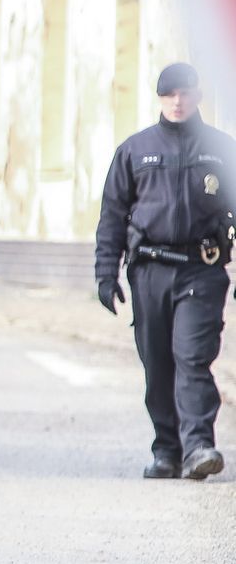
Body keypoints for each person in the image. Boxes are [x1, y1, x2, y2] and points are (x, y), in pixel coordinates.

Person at [94, 62, 236, 480]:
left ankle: (198, 447)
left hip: (202, 269)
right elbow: (113, 215)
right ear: (159, 98)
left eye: (185, 93)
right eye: (170, 94)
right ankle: (168, 451)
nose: (178, 101)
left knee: (192, 357)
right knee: (158, 363)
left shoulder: (221, 150)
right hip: (149, 272)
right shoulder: (135, 151)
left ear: (197, 97)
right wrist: (106, 274)